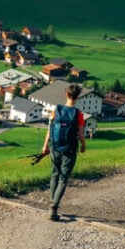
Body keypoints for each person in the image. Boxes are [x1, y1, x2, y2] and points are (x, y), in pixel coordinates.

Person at [41, 83, 87, 220]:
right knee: (63, 178)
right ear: (77, 97)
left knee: (54, 174)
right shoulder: (78, 114)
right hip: (70, 149)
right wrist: (83, 146)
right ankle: (54, 208)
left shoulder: (56, 109)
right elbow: (81, 134)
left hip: (55, 147)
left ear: (66, 94)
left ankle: (52, 201)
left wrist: (45, 146)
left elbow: (50, 129)